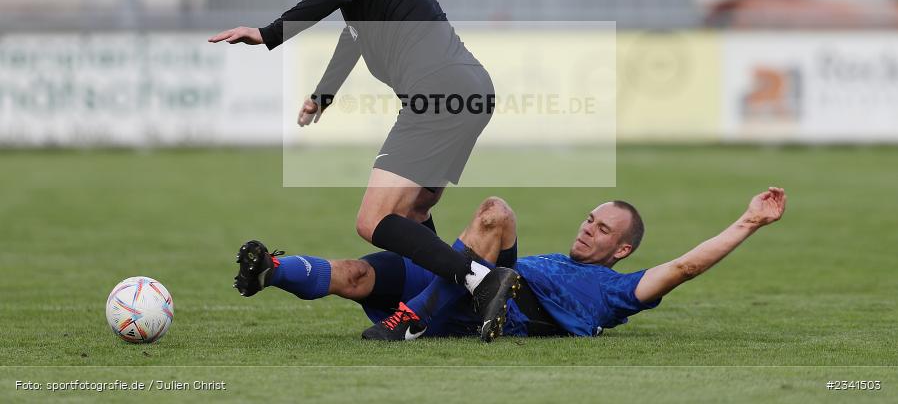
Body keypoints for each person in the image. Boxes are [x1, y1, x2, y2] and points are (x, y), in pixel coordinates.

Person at [208, 0, 515, 340]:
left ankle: (481, 281)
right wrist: (324, 94)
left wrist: (269, 33)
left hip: (437, 94)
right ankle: (431, 309)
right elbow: (354, 34)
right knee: (412, 216)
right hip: (470, 90)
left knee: (372, 221)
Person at [236, 187, 787, 341]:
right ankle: (273, 267)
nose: (586, 228)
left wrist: (748, 222)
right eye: (589, 218)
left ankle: (414, 319)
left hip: (487, 305)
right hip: (474, 277)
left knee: (495, 215)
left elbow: (684, 268)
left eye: (601, 229)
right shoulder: (556, 256)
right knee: (356, 273)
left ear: (622, 251)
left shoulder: (616, 294)